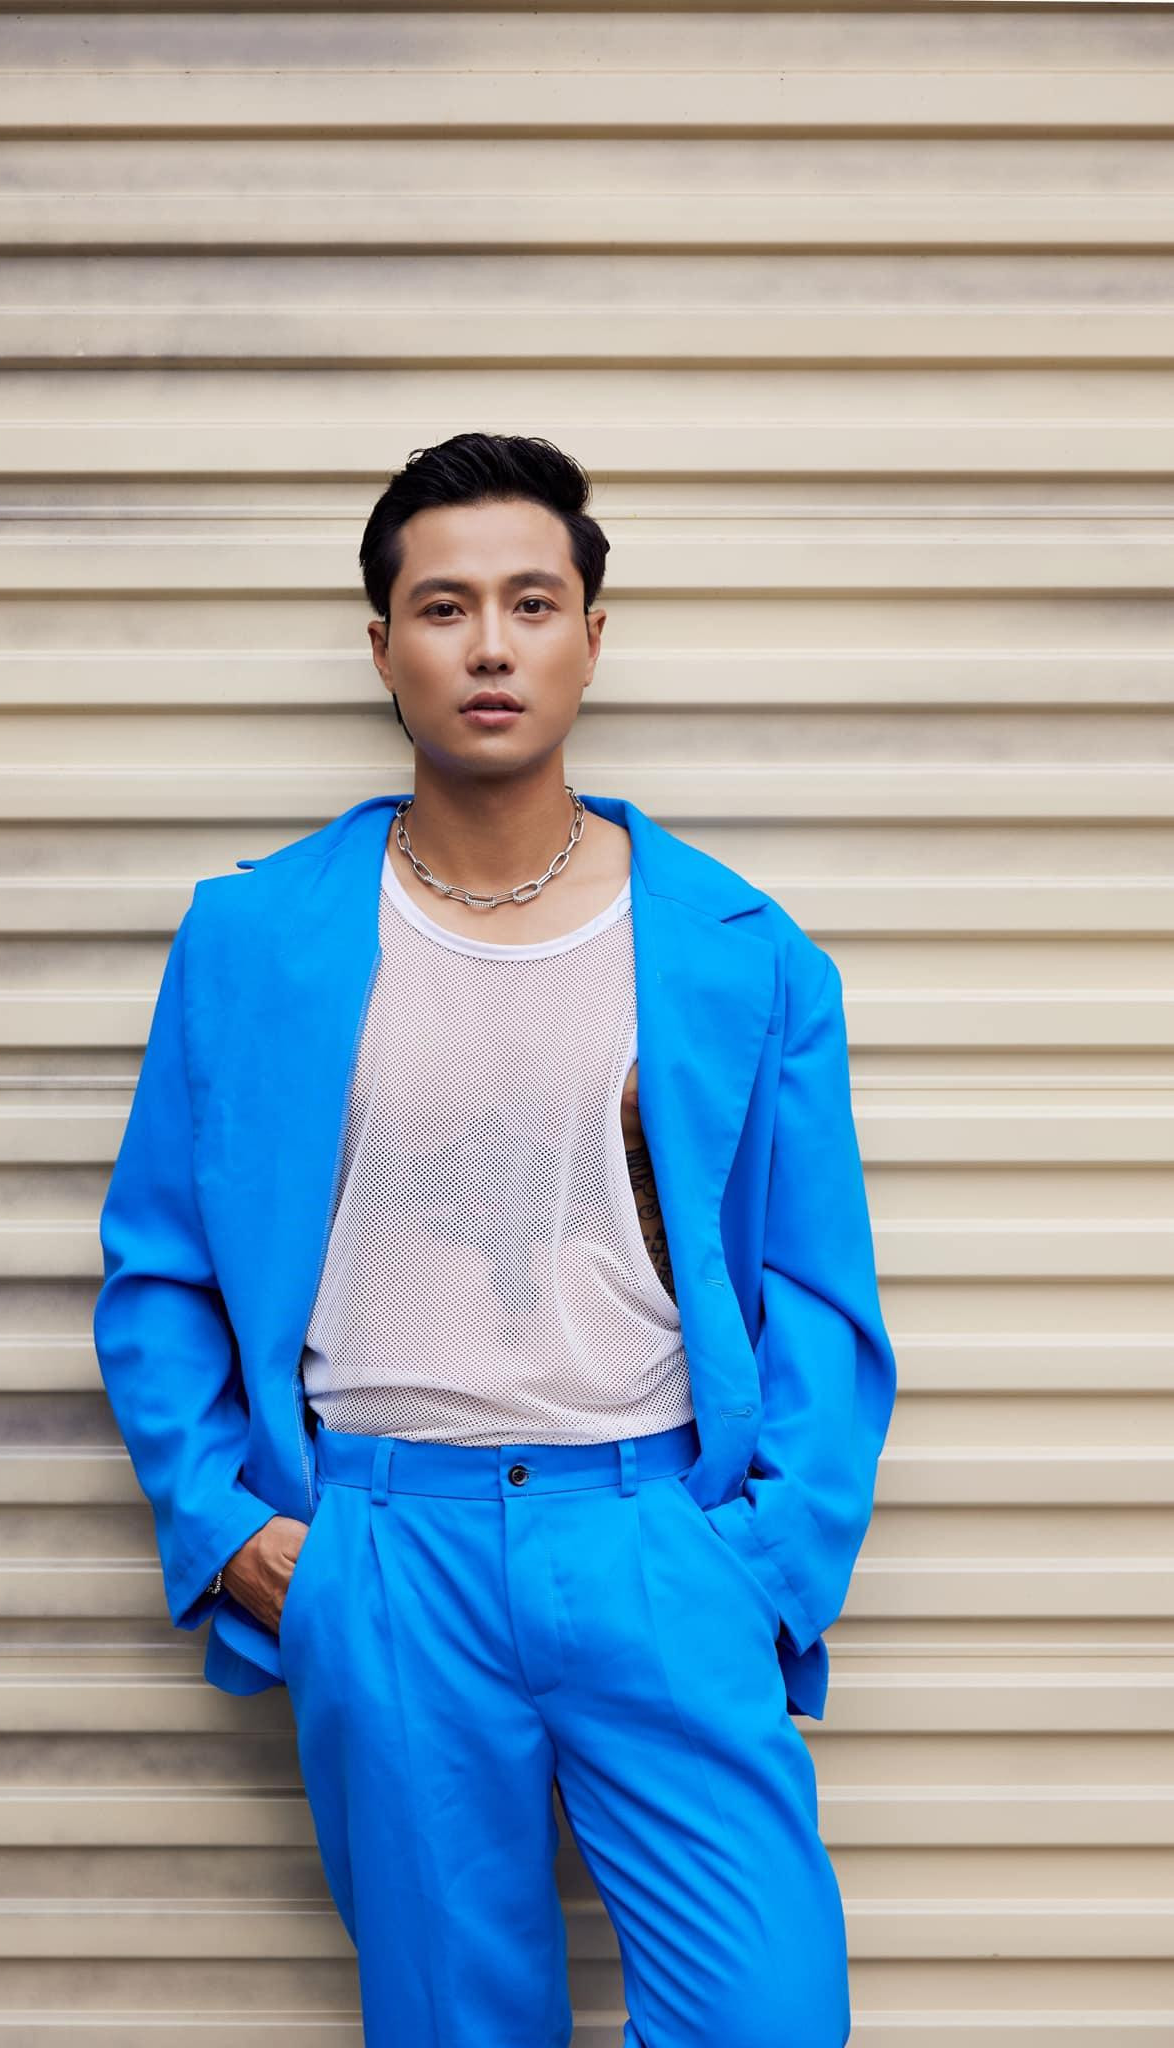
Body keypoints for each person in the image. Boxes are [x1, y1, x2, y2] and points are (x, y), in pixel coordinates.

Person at [93, 431, 897, 2047]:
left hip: (655, 1538)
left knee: (766, 2015)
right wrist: (236, 1535)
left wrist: (754, 1569)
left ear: (591, 637)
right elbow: (159, 1269)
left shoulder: (741, 952)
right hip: (384, 1549)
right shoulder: (253, 938)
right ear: (380, 643)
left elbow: (816, 1298)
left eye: (530, 604)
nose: (487, 646)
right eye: (442, 606)